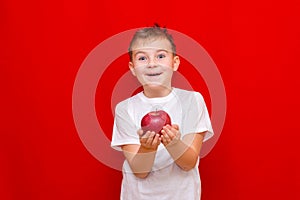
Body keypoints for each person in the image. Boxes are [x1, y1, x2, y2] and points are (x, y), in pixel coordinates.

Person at [111, 25, 214, 200]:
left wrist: (174, 144)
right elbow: (140, 172)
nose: (152, 64)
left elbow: (188, 163)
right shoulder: (125, 109)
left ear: (174, 63)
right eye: (142, 58)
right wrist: (146, 148)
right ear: (132, 67)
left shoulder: (192, 101)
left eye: (160, 56)